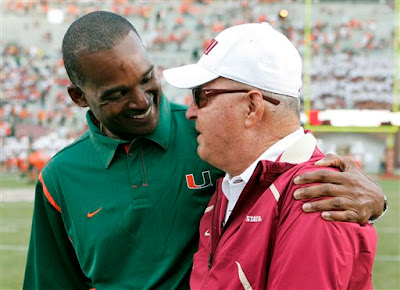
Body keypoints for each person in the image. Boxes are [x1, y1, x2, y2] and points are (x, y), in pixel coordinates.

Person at [23, 11, 385, 289]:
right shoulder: (60, 177)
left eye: (147, 78)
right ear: (78, 97)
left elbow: (281, 154)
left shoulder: (210, 139)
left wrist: (370, 201)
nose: (141, 101)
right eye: (116, 94)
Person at [163, 22, 377, 289]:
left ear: (252, 106)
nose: (190, 111)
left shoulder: (317, 196)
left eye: (202, 96)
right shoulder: (237, 179)